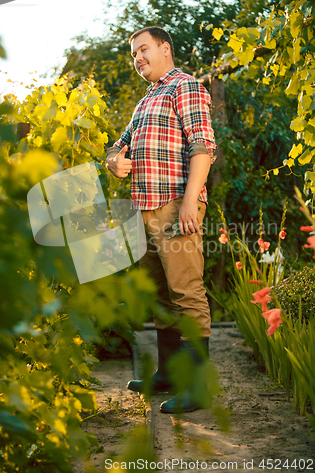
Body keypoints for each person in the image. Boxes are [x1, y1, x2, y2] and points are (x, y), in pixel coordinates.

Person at [106, 26, 216, 413]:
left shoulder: (184, 87)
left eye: (143, 49)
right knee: (160, 295)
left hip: (174, 204)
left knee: (186, 291)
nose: (137, 58)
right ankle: (168, 373)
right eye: (133, 54)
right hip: (144, 207)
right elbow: (116, 146)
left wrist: (190, 202)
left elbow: (202, 146)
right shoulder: (145, 101)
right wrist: (114, 161)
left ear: (165, 48)